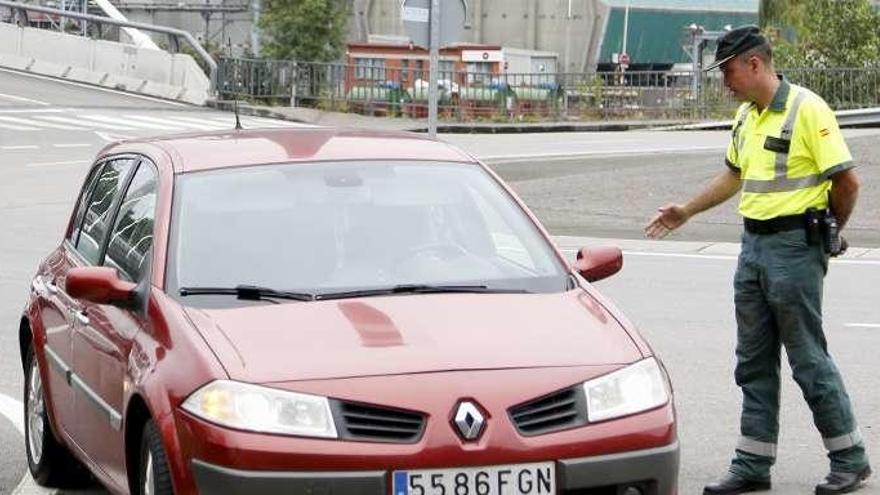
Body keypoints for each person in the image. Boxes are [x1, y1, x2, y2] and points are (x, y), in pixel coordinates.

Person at [644, 25, 870, 495]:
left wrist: (829, 233)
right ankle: (752, 463)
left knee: (808, 358)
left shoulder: (808, 109)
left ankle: (850, 458)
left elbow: (847, 183)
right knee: (753, 361)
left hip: (794, 248)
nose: (724, 82)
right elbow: (734, 175)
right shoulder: (747, 117)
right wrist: (686, 210)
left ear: (754, 63)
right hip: (753, 249)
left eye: (727, 71)